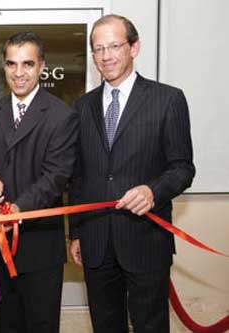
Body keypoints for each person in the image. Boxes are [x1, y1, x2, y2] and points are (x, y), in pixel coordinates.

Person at [68, 14, 195, 333]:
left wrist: (153, 191)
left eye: (114, 46)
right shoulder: (81, 108)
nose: (106, 56)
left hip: (146, 239)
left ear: (134, 47)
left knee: (150, 326)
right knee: (105, 325)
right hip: (96, 241)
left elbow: (183, 168)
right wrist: (77, 233)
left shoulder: (168, 99)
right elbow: (78, 175)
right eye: (98, 48)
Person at [0, 31, 79, 333]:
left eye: (27, 64)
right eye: (11, 64)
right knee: (6, 324)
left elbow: (56, 177)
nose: (18, 73)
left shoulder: (62, 116)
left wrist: (17, 209)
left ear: (42, 66)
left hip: (39, 245)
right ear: (4, 67)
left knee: (41, 325)